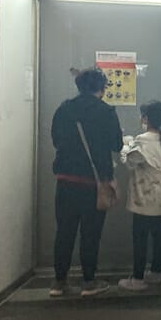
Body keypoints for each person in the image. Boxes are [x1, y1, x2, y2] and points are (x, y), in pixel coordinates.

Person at [50, 68, 123, 297]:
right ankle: (89, 282)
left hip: (65, 181)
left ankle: (59, 283)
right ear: (101, 87)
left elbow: (55, 139)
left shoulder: (64, 109)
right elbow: (117, 145)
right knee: (91, 233)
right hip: (93, 183)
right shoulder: (106, 111)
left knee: (64, 231)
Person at [118, 101, 161, 291]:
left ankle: (138, 278)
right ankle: (156, 272)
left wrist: (126, 145)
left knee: (140, 238)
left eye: (142, 115)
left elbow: (129, 161)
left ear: (147, 118)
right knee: (159, 235)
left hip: (143, 200)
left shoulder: (142, 140)